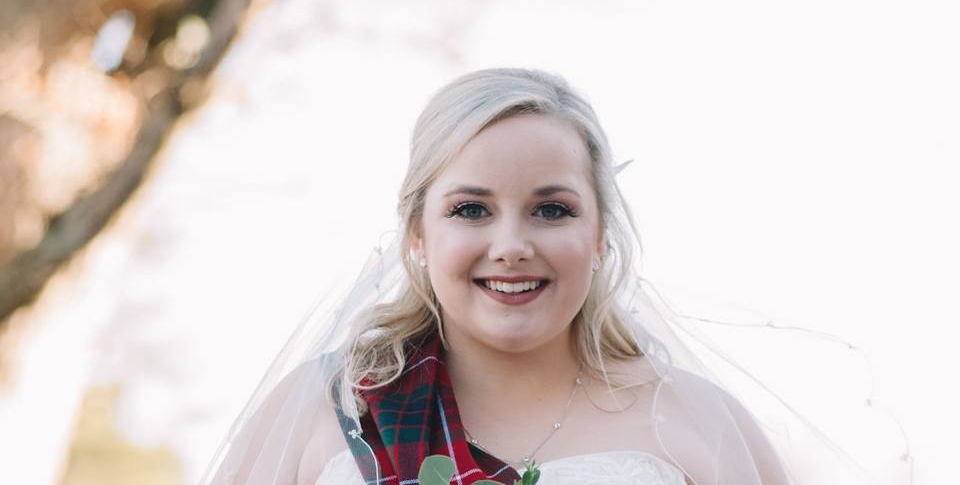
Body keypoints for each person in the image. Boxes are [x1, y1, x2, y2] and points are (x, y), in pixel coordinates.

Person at [201, 68, 910, 485]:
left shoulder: (696, 422)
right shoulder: (329, 412)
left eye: (551, 209)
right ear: (418, 232)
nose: (510, 246)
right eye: (471, 209)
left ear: (599, 233)